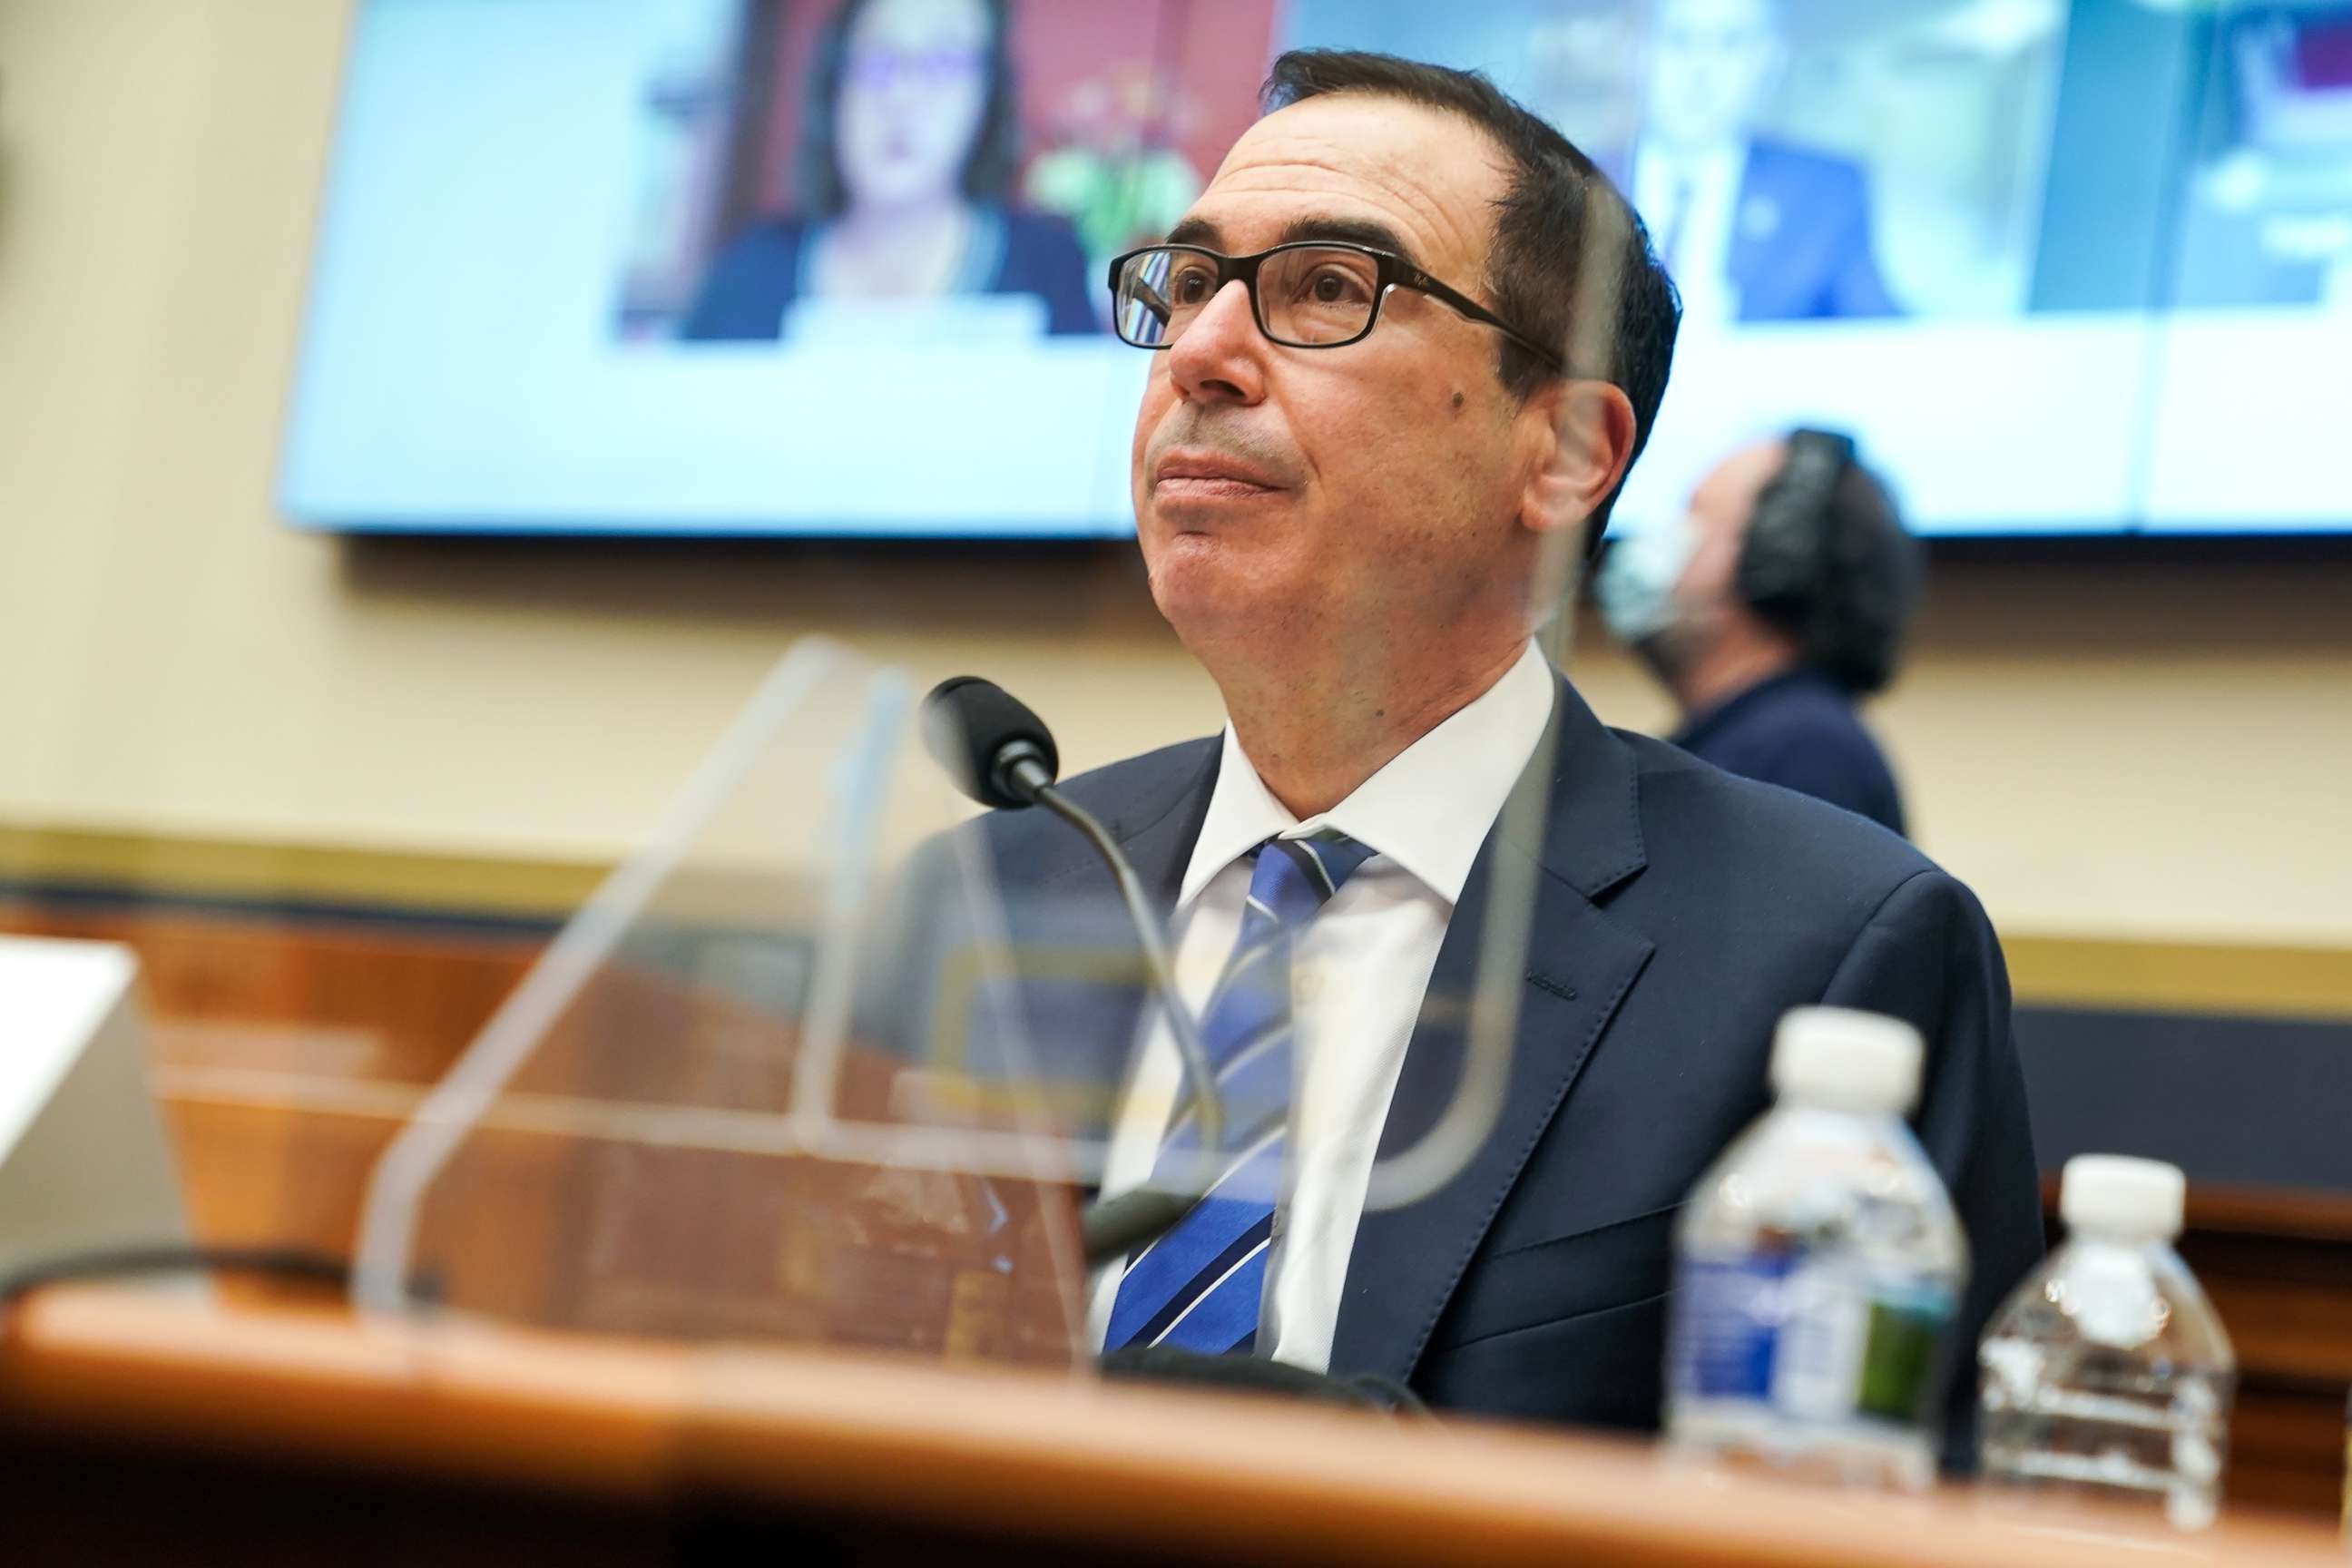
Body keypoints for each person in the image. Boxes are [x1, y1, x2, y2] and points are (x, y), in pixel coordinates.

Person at [904, 50, 2038, 1465]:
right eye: (1188, 286)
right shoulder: (979, 901)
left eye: (1326, 288)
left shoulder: (1831, 951)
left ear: (1561, 452)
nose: (1198, 352)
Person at [681, 0, 1096, 340]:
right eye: (878, 61)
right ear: (834, 86)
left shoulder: (1049, 269)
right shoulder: (750, 274)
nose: (902, 95)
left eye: (944, 62)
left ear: (988, 100)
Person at [1595, 430, 1921, 837]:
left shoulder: (1806, 754)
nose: (1657, 541)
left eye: (1694, 515)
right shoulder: (1748, 742)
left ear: (1773, 561)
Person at [1625, 0, 1898, 324]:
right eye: (1679, 40)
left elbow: (1879, 333)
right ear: (1636, 53)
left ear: (1769, 62)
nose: (1700, 69)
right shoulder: (1580, 180)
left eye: (1729, 43)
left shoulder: (1824, 195)